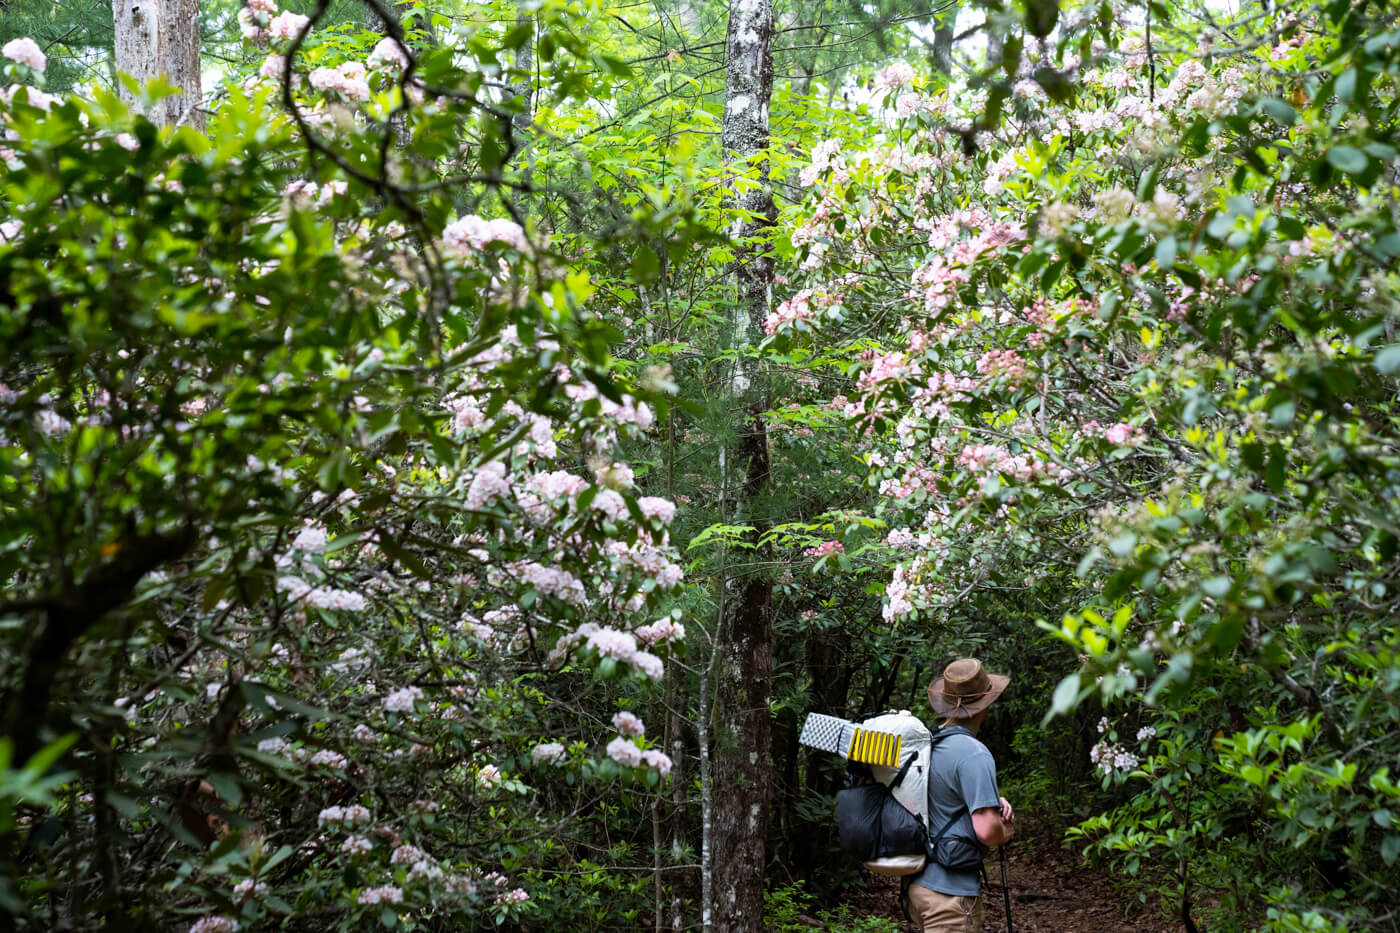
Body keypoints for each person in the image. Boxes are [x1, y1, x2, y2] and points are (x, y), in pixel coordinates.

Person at [906, 658, 1016, 933]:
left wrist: (989, 803)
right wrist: (1007, 827)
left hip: (917, 887)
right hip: (949, 897)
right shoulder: (973, 753)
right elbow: (988, 831)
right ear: (985, 705)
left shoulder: (927, 744)